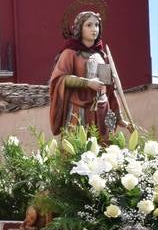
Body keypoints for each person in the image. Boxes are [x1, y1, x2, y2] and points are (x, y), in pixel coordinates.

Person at [48, 10, 123, 141]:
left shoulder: (101, 56)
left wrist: (119, 116)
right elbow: (60, 78)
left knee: (103, 153)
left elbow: (109, 88)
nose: (94, 29)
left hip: (101, 111)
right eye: (89, 25)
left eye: (97, 25)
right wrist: (87, 83)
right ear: (79, 28)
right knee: (77, 151)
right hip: (79, 110)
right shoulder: (70, 53)